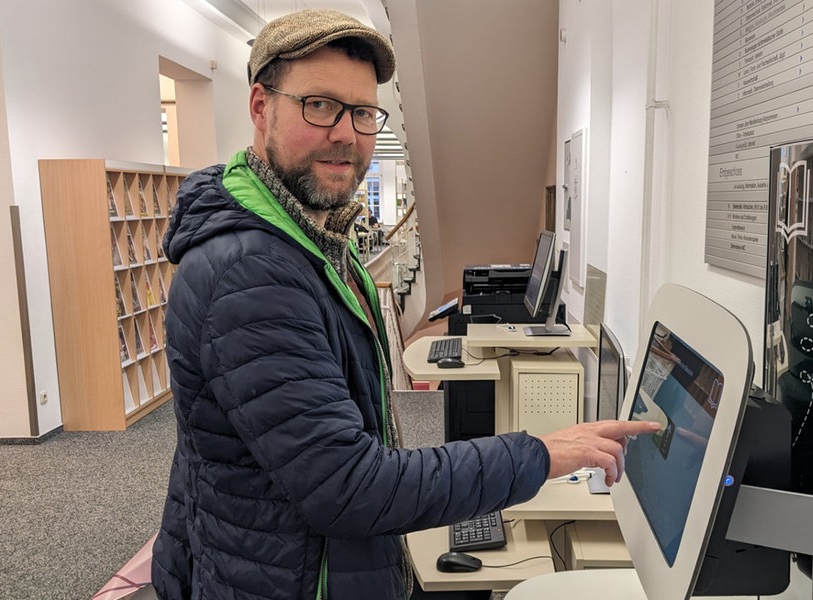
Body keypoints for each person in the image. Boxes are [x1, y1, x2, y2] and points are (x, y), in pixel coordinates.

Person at [150, 9, 659, 600]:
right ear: (261, 106)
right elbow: (348, 486)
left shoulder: (311, 243)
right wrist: (538, 454)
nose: (345, 132)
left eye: (362, 112)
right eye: (318, 105)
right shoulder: (250, 275)